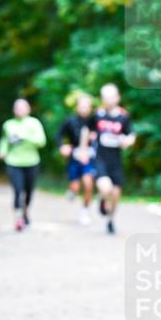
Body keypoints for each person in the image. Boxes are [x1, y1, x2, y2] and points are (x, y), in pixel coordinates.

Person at [89, 83, 135, 235]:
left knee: (115, 195)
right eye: (105, 97)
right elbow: (88, 131)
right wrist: (86, 145)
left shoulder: (123, 116)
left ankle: (110, 220)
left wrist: (127, 142)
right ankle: (102, 198)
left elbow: (131, 135)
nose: (108, 100)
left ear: (117, 97)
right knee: (105, 187)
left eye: (111, 96)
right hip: (100, 158)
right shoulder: (97, 115)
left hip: (116, 161)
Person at [0, 98, 47, 232]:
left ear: (28, 109)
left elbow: (41, 142)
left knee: (29, 192)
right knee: (18, 191)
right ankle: (18, 218)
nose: (19, 110)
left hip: (31, 162)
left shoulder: (34, 123)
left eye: (22, 107)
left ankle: (26, 212)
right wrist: (2, 151)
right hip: (13, 162)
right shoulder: (8, 124)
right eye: (17, 108)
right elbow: (4, 140)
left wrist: (25, 137)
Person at [57, 93, 97, 225]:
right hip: (74, 157)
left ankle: (85, 211)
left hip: (89, 158)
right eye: (82, 105)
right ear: (77, 107)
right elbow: (59, 135)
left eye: (87, 105)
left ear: (91, 107)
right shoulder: (70, 120)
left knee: (88, 183)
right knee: (75, 187)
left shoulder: (95, 120)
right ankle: (72, 191)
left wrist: (95, 137)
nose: (84, 108)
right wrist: (63, 146)